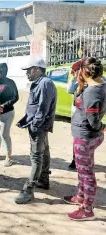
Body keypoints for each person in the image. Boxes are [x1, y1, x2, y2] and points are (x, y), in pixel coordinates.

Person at [63, 57, 106, 221]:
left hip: (85, 137)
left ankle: (87, 210)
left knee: (87, 174)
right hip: (89, 137)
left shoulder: (92, 92)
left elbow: (94, 120)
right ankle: (80, 196)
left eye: (78, 70)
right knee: (84, 170)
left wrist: (102, 126)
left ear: (84, 72)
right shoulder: (100, 85)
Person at [15, 57, 57, 204]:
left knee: (36, 157)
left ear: (37, 69)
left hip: (39, 127)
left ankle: (29, 190)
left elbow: (43, 108)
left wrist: (35, 125)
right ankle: (44, 180)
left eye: (29, 70)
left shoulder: (45, 83)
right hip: (39, 126)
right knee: (44, 152)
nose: (27, 73)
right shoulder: (40, 83)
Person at [0, 63, 19, 167]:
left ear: (3, 72)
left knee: (4, 134)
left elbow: (15, 97)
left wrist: (3, 106)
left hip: (7, 113)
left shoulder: (10, 83)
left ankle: (9, 157)